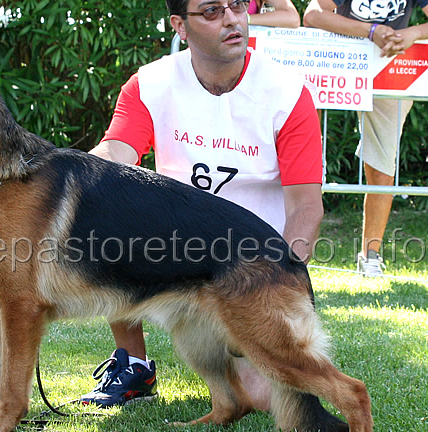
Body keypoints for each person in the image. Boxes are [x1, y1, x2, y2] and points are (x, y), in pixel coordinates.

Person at [80, 0, 324, 409]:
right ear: (180, 26)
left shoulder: (287, 92)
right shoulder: (149, 83)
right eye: (211, 11)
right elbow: (115, 152)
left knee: (259, 397)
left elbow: (306, 208)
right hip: (175, 250)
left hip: (251, 261)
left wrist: (282, 283)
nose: (231, 18)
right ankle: (132, 362)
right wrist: (77, 171)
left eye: (236, 6)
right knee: (105, 211)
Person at [304, 0, 428, 276]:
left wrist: (414, 33)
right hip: (337, 63)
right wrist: (370, 31)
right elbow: (312, 13)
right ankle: (295, 251)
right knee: (303, 164)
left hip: (391, 68)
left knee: (382, 167)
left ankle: (371, 256)